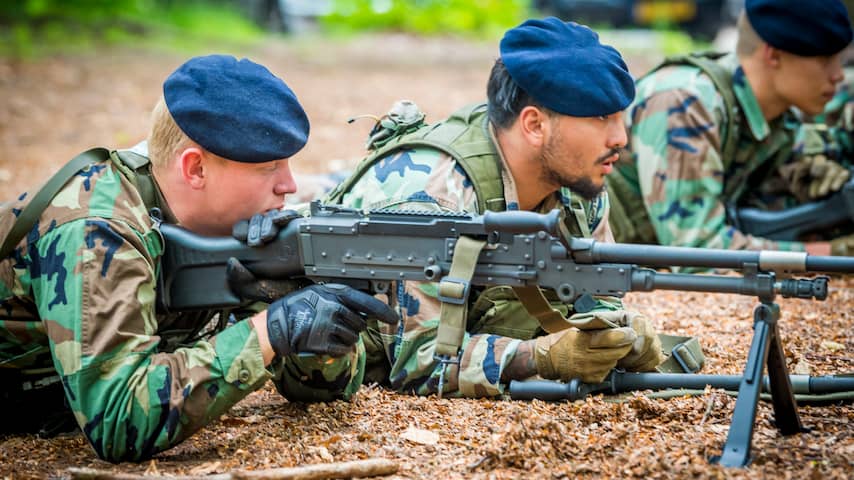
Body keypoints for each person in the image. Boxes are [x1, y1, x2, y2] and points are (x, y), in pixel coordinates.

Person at [0, 55, 396, 462]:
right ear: (195, 169)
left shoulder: (223, 228)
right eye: (268, 167)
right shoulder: (95, 232)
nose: (289, 185)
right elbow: (118, 421)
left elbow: (322, 394)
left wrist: (307, 313)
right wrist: (269, 331)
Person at [271, 18, 684, 403]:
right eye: (601, 119)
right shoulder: (437, 199)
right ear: (535, 125)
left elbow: (595, 300)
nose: (621, 138)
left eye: (620, 119)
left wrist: (618, 335)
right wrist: (537, 359)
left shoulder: (579, 187)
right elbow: (418, 361)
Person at [606, 0, 854, 255]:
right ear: (774, 54)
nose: (837, 74)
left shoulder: (779, 118)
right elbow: (698, 254)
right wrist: (834, 253)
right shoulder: (686, 103)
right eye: (825, 60)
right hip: (587, 265)